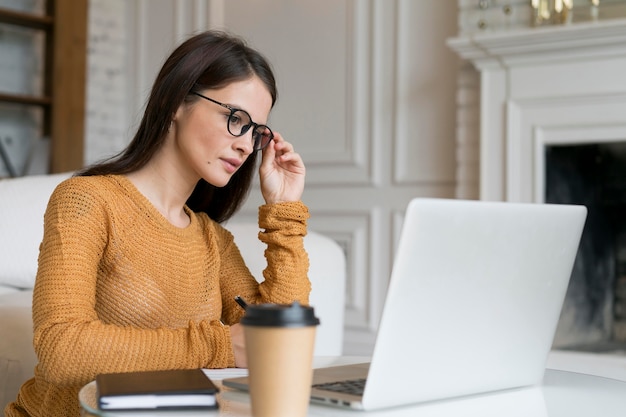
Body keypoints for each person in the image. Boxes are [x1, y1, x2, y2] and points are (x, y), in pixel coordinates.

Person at [5, 30, 311, 417]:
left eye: (256, 132)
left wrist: (284, 212)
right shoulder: (88, 201)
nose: (246, 146)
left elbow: (279, 342)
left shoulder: (212, 239)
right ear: (175, 102)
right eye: (236, 118)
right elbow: (62, 351)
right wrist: (220, 346)